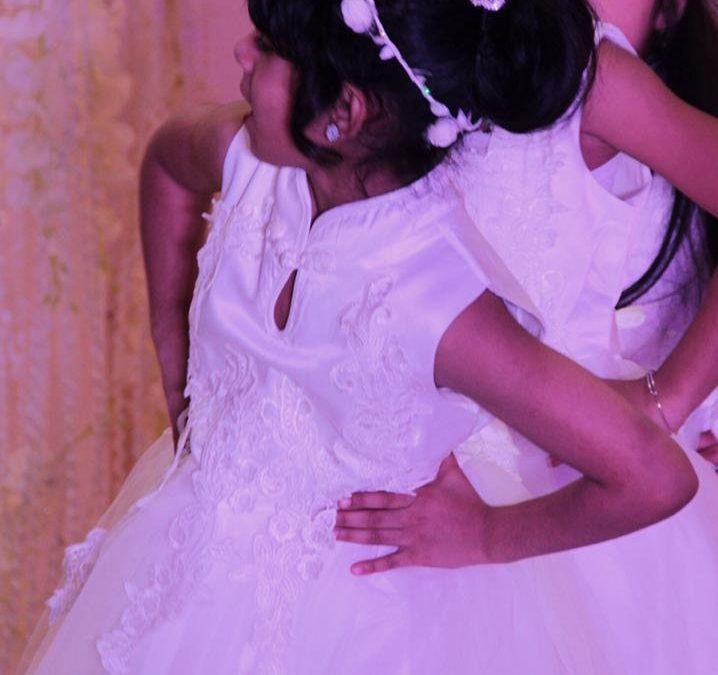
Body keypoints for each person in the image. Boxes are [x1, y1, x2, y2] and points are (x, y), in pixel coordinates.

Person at [18, 1, 703, 674]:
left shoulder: (436, 300)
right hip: (191, 566)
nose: (240, 52)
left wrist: (488, 533)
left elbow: (653, 473)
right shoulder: (252, 159)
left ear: (344, 112)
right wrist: (178, 370)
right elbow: (169, 162)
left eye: (268, 46)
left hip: (367, 607)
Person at [336, 1, 718, 672]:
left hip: (562, 493)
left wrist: (670, 397)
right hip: (388, 471)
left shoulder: (591, 76)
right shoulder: (410, 39)